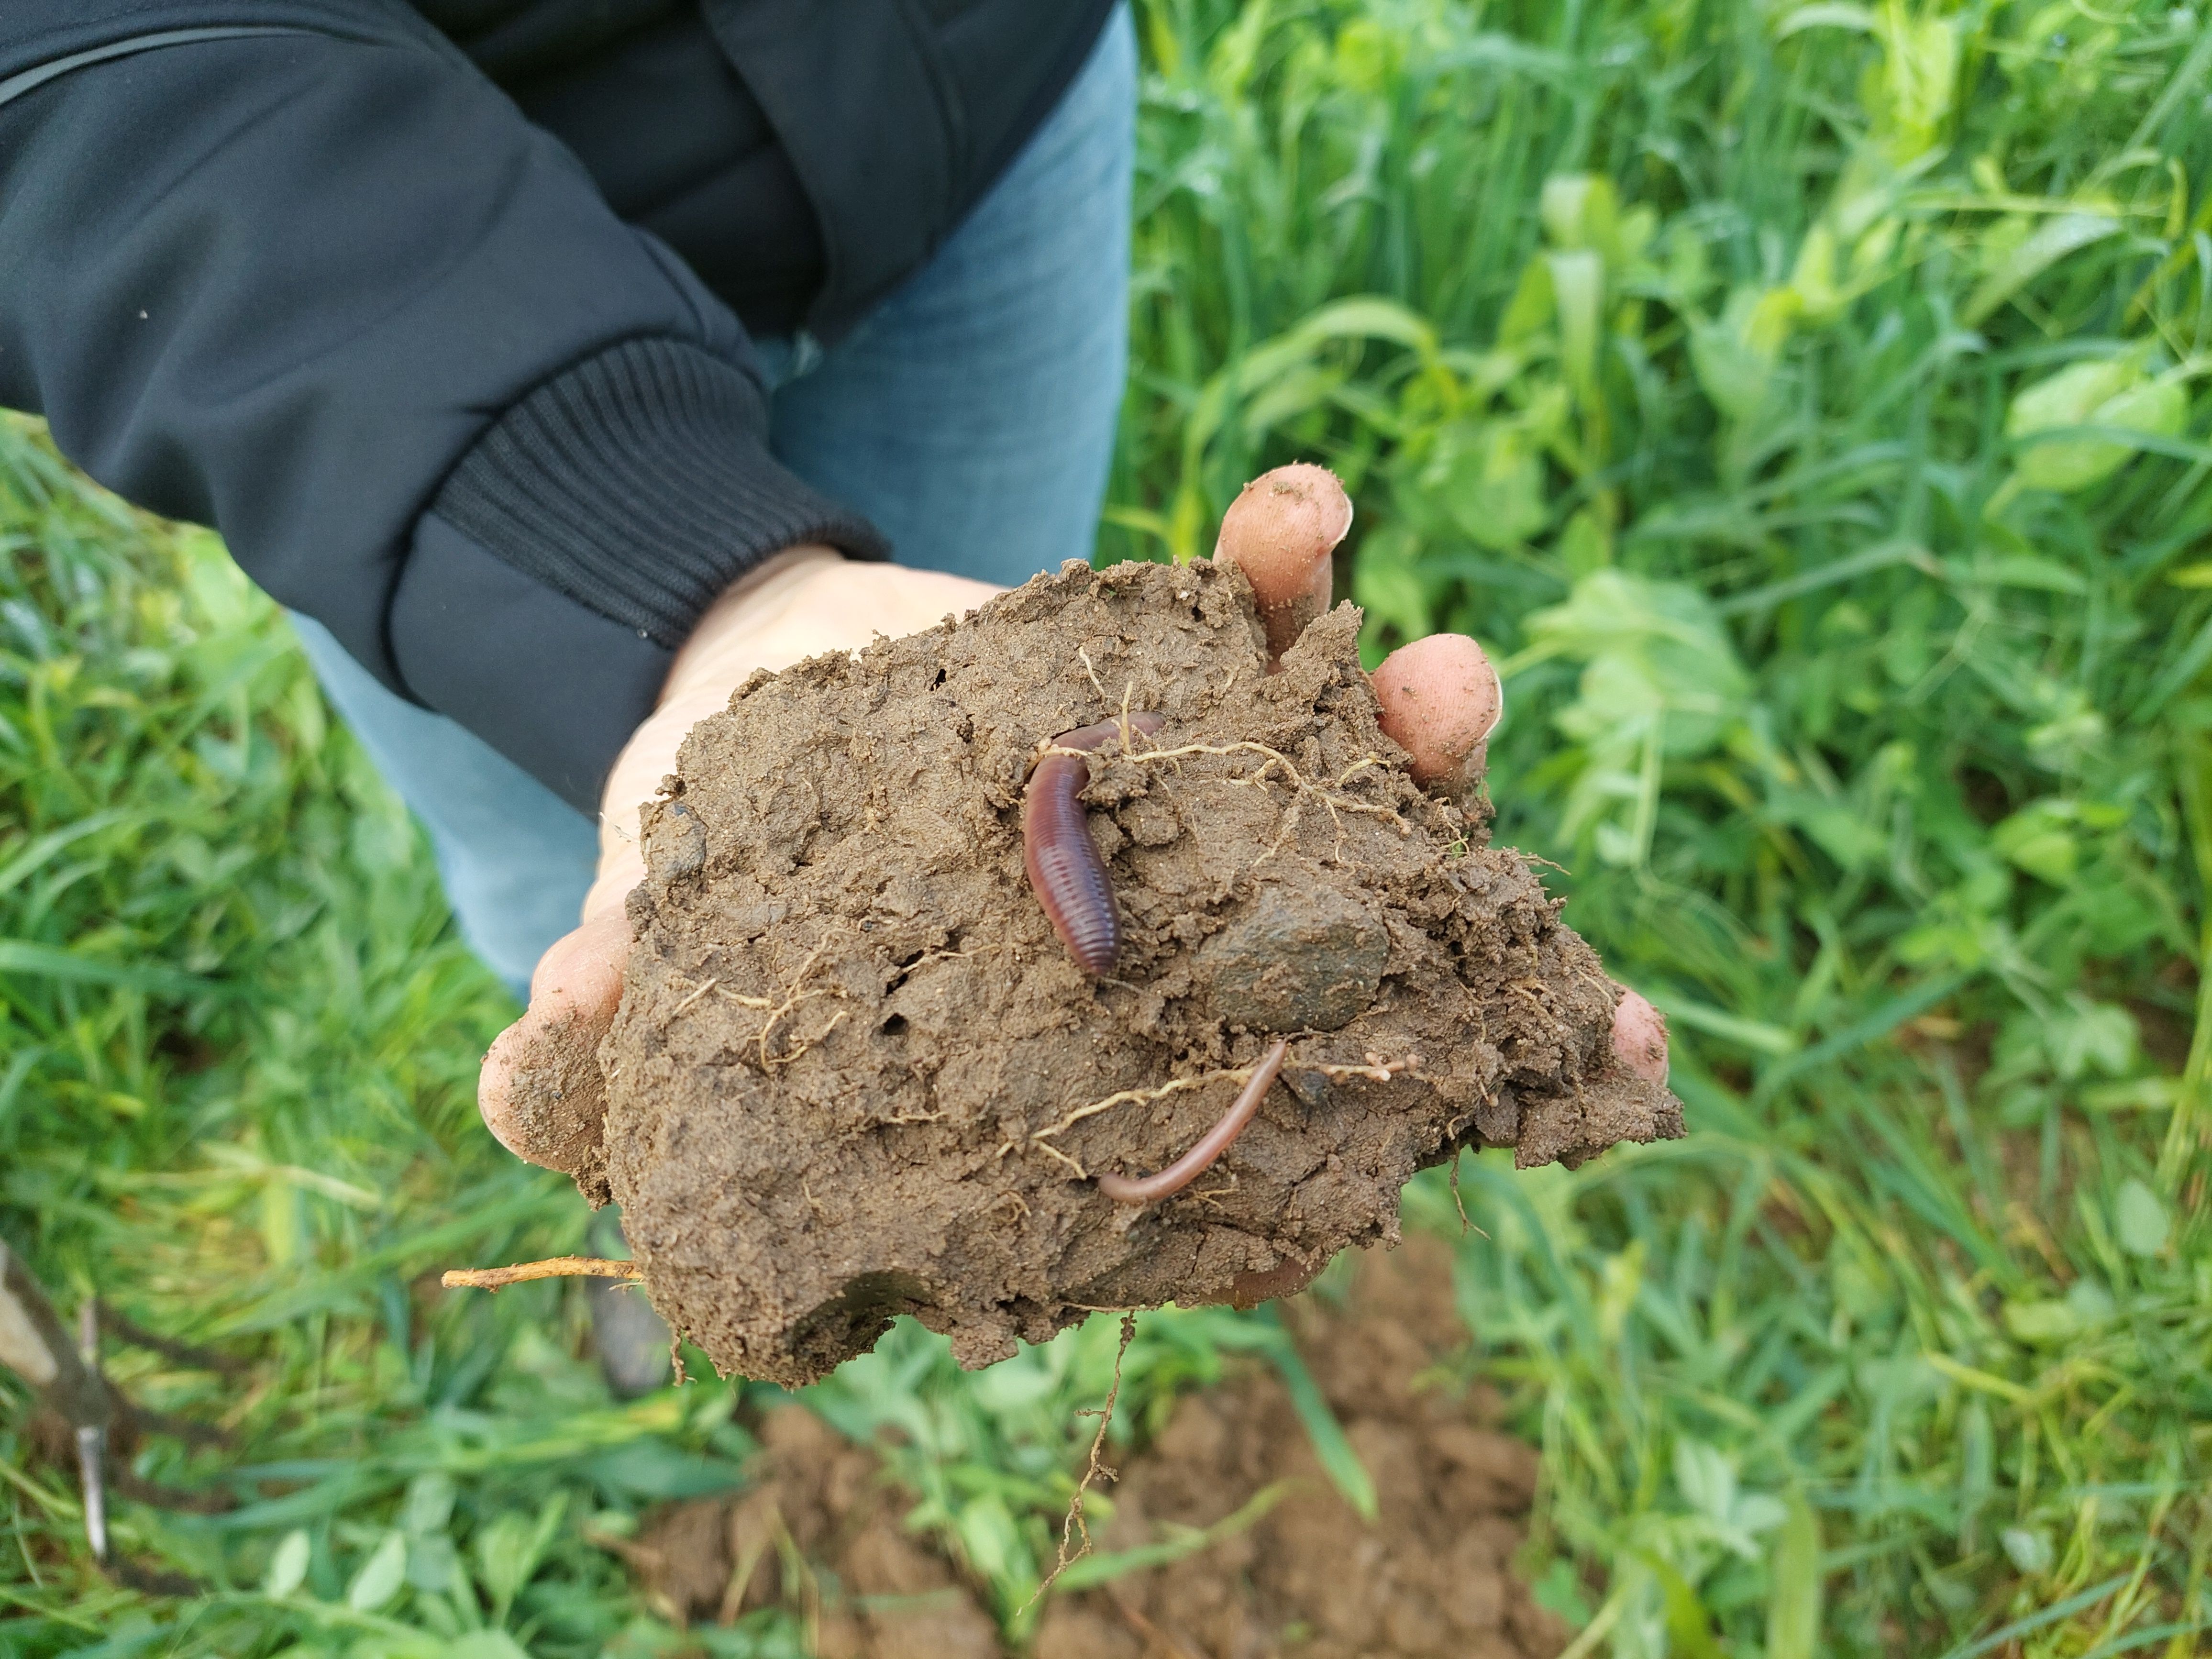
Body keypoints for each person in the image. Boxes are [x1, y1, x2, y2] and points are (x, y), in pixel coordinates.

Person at [0, 4, 1649, 1253]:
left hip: (981, 104)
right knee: (598, 897)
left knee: (994, 641)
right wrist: (566, 506)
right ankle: (662, 1185)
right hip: (358, 301)